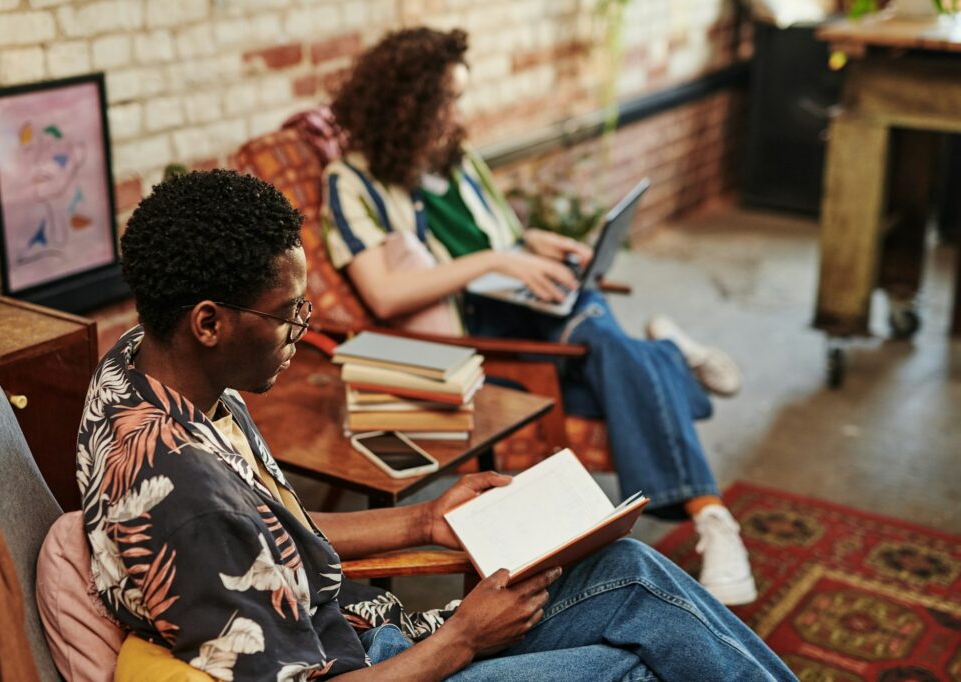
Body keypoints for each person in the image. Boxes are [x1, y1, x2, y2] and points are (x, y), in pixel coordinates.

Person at [81, 169, 794, 680]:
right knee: (640, 661)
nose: (302, 328)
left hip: (364, 631)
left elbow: (268, 533)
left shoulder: (149, 366)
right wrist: (460, 637)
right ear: (208, 322)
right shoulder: (183, 503)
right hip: (370, 664)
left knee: (628, 568)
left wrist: (425, 524)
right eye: (286, 312)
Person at [321, 27, 755, 606]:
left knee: (594, 334)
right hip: (482, 335)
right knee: (618, 355)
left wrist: (535, 246)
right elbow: (385, 294)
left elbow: (505, 237)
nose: (456, 114)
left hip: (525, 308)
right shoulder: (350, 183)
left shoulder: (458, 162)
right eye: (446, 100)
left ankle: (707, 503)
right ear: (405, 103)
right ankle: (676, 379)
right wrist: (494, 261)